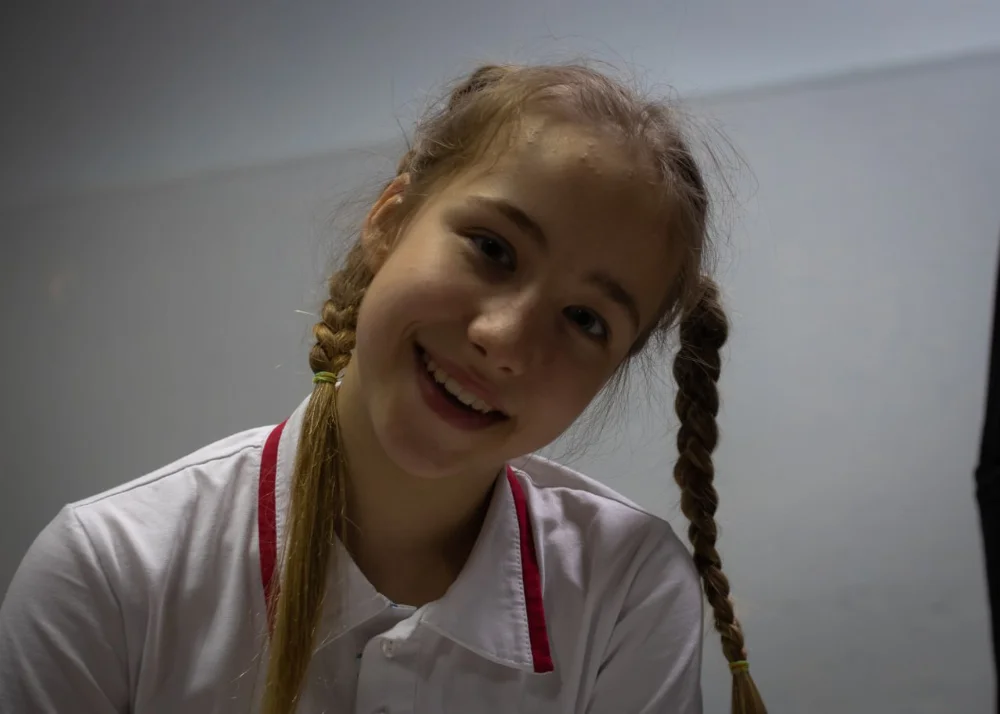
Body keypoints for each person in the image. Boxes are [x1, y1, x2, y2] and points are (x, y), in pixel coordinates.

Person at [0, 63, 766, 714]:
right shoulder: (109, 572)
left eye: (585, 320)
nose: (503, 340)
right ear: (390, 222)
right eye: (492, 248)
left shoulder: (627, 590)